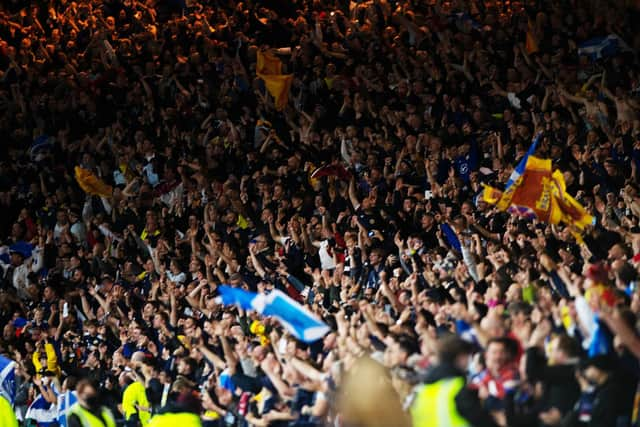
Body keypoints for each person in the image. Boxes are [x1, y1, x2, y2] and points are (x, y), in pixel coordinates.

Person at [411, 335, 502, 427]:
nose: (468, 362)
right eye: (467, 357)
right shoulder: (457, 388)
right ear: (461, 357)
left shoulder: (421, 390)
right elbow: (481, 421)